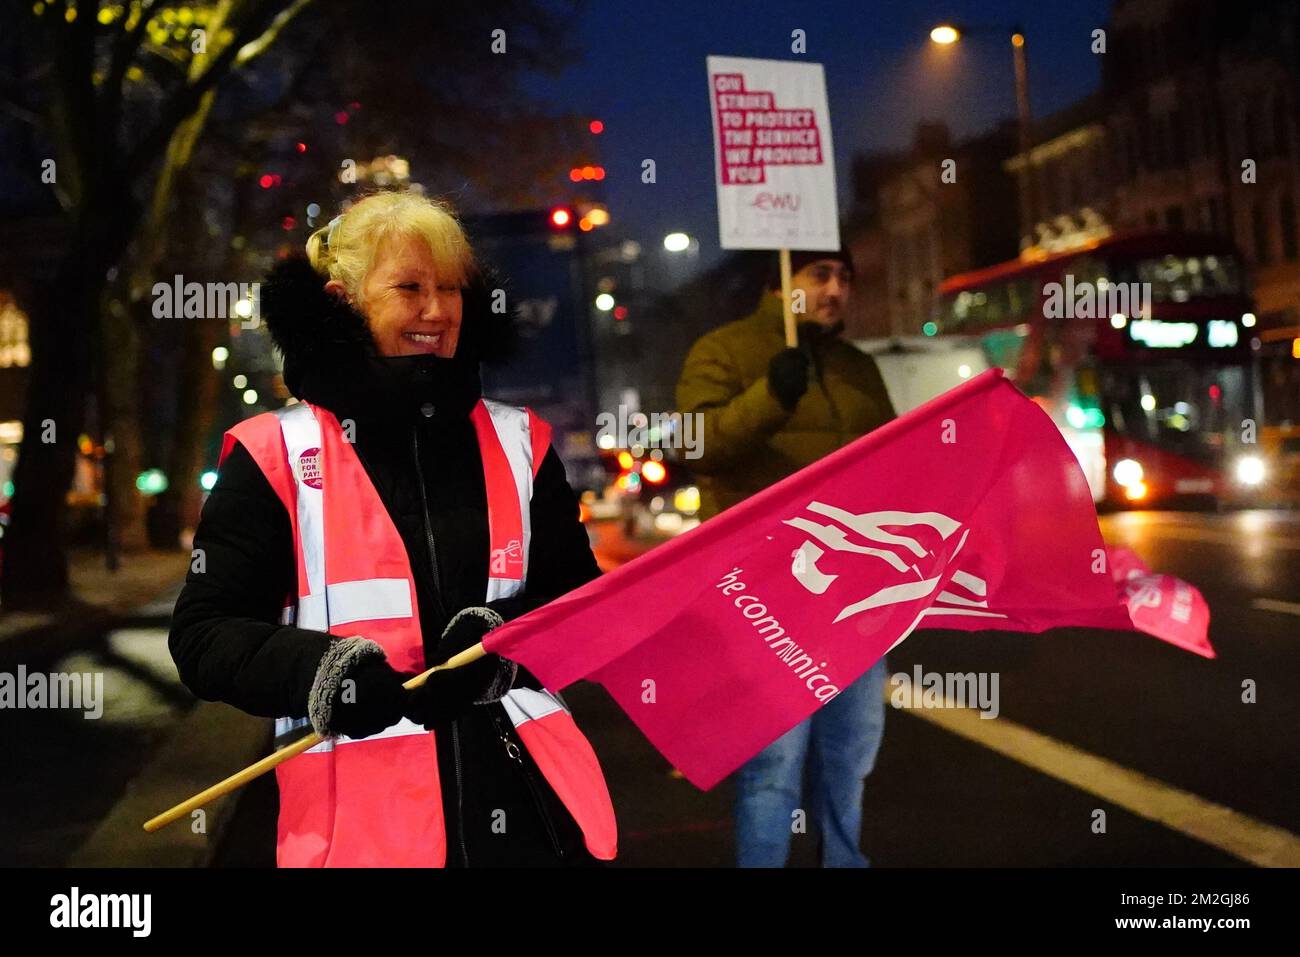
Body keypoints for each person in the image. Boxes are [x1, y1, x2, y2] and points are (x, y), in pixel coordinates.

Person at [169, 191, 617, 868]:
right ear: (345, 299)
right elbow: (205, 634)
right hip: (365, 841)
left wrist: (506, 642)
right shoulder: (275, 454)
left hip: (535, 824)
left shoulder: (520, 441)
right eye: (409, 287)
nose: (437, 311)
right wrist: (324, 671)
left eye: (450, 289)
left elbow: (585, 607)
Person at [676, 248, 896, 868]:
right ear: (779, 283)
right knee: (773, 765)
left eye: (845, 277)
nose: (836, 289)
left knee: (849, 760)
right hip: (765, 596)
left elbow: (893, 464)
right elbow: (699, 443)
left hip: (855, 597)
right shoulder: (720, 352)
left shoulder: (856, 367)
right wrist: (772, 393)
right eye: (819, 274)